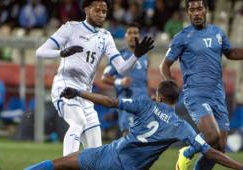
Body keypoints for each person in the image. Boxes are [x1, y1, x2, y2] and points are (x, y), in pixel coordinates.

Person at [24, 81, 243, 170]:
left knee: (55, 165)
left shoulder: (145, 104)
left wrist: (79, 92)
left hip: (106, 155)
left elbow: (110, 102)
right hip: (127, 167)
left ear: (157, 96)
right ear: (176, 100)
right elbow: (211, 153)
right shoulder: (182, 126)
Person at [35, 0, 154, 156]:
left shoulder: (105, 37)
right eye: (97, 10)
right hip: (65, 86)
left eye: (104, 11)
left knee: (96, 150)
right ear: (86, 9)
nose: (101, 14)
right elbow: (40, 52)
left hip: (85, 94)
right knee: (77, 123)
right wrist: (61, 53)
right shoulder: (71, 28)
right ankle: (66, 166)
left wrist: (135, 56)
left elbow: (122, 69)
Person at [159, 0, 243, 169]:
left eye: (199, 8)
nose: (196, 13)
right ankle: (187, 152)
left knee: (219, 147)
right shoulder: (182, 37)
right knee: (211, 136)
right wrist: (171, 84)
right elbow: (164, 65)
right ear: (188, 13)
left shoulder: (217, 32)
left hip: (218, 95)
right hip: (196, 94)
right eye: (192, 10)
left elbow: (230, 53)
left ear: (206, 10)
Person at [102, 22, 149, 136]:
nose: (133, 35)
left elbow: (144, 80)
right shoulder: (119, 56)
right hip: (127, 100)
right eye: (130, 33)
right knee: (128, 134)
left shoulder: (145, 57)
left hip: (143, 101)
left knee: (144, 135)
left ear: (139, 36)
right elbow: (104, 78)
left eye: (135, 33)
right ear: (125, 36)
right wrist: (120, 82)